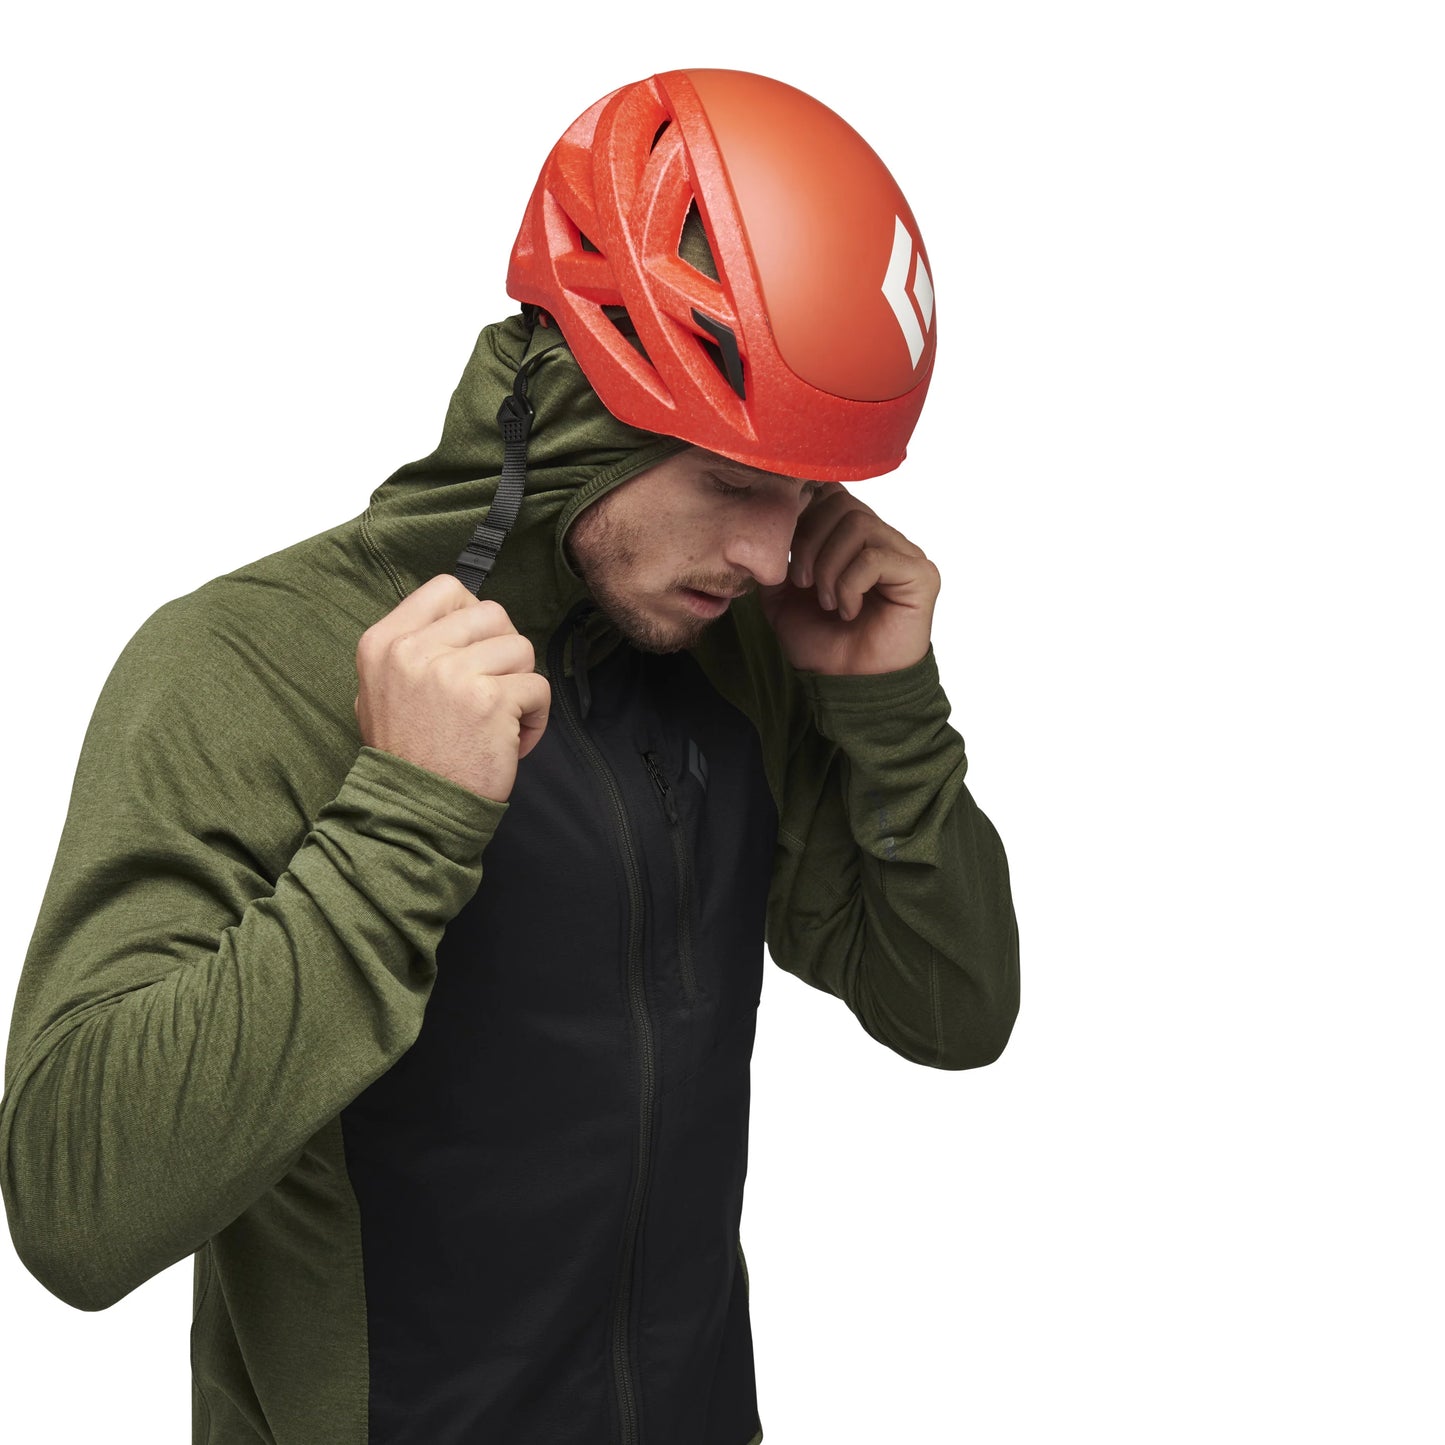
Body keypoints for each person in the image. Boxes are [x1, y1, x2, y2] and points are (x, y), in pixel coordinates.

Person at [0, 67, 1019, 1445]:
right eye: (729, 483)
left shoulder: (734, 657)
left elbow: (951, 1009)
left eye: (806, 493)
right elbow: (74, 1209)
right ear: (583, 417)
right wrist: (401, 819)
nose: (776, 553)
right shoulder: (241, 667)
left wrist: (886, 709)